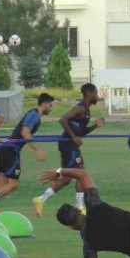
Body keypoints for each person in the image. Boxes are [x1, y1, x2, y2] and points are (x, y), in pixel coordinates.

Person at [0, 93, 54, 211]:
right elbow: (25, 132)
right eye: (50, 105)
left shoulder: (33, 115)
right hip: (11, 149)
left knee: (1, 183)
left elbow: (19, 135)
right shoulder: (34, 115)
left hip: (9, 148)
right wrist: (37, 150)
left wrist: (18, 154)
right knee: (13, 184)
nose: (51, 108)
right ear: (44, 103)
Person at [33, 83, 105, 217]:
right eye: (96, 93)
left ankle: (41, 199)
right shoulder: (80, 108)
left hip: (69, 145)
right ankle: (80, 207)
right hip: (68, 144)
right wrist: (72, 137)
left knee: (66, 179)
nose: (98, 96)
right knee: (81, 172)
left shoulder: (86, 111)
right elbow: (63, 119)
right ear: (89, 94)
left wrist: (95, 126)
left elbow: (81, 132)